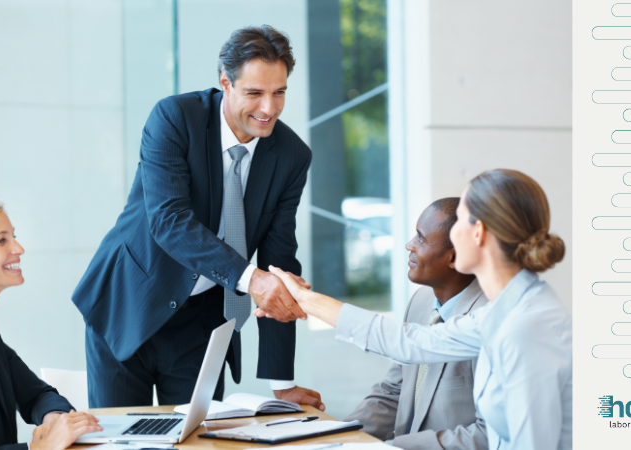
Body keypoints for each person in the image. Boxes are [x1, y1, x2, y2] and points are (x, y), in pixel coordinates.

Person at [72, 25, 323, 409]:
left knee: (197, 440)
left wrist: (281, 381)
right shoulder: (175, 118)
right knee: (120, 438)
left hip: (203, 324)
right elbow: (169, 220)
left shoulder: (291, 156)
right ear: (225, 81)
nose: (268, 108)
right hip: (131, 300)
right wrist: (250, 279)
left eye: (279, 92)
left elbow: (279, 262)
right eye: (254, 93)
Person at [261, 169, 572, 450]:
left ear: (477, 233)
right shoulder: (503, 313)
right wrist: (302, 299)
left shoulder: (528, 325)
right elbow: (410, 343)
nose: (411, 244)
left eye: (460, 219)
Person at [0, 196, 102, 450]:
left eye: (13, 236)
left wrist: (53, 420)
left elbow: (37, 395)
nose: (19, 248)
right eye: (1, 240)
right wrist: (39, 448)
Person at [344, 198, 489, 450]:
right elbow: (392, 392)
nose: (409, 245)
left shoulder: (487, 319)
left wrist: (398, 445)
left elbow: (487, 435)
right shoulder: (420, 301)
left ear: (454, 257)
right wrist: (337, 438)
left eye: (421, 239)